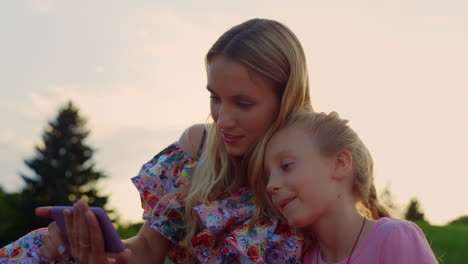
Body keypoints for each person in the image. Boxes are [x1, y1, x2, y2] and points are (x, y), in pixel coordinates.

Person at [0, 18, 313, 264]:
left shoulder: (316, 168)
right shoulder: (198, 147)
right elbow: (146, 249)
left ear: (286, 99)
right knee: (40, 248)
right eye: (215, 99)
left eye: (243, 104)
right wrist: (91, 246)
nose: (223, 119)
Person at [264, 111, 438, 264]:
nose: (271, 185)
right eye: (268, 175)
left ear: (340, 164)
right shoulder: (304, 257)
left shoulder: (394, 238)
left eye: (286, 166)